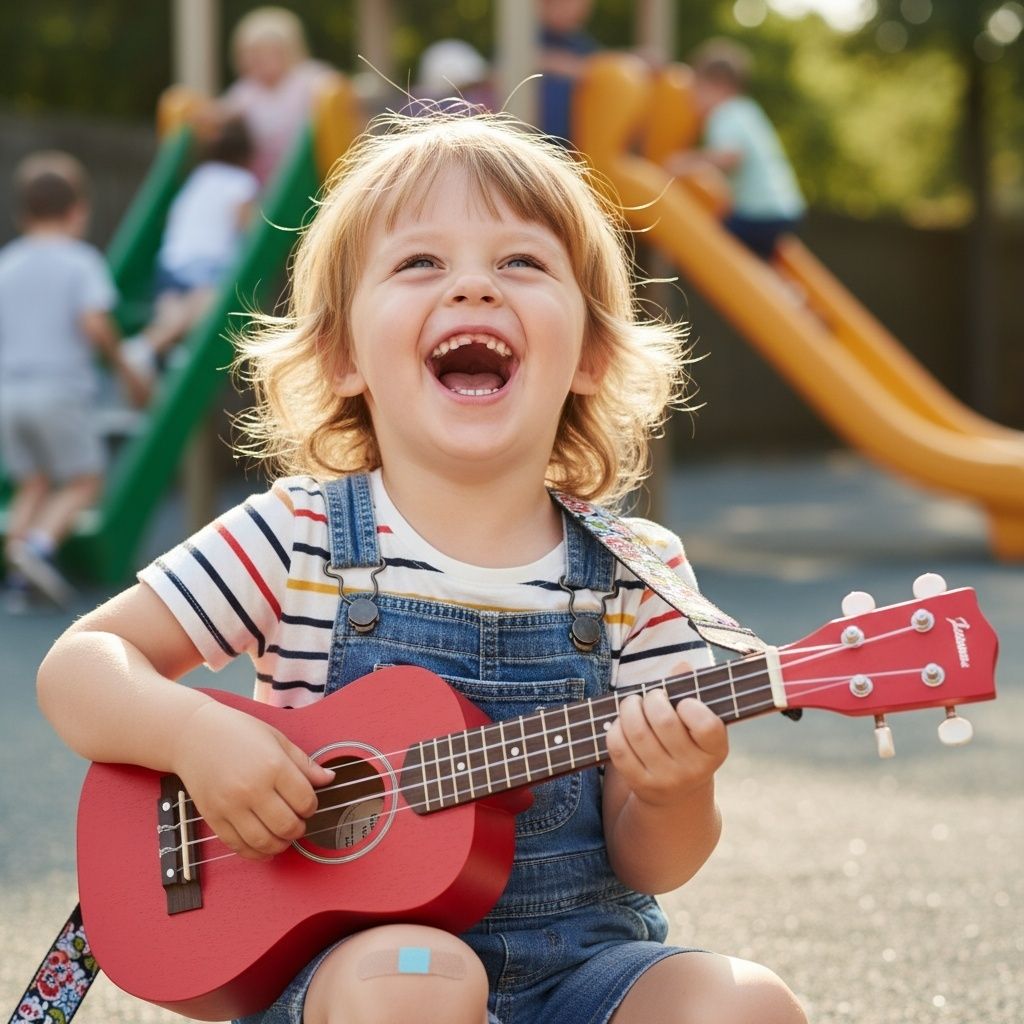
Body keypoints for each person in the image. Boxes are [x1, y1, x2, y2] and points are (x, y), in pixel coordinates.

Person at [36, 113, 807, 1024]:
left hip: (583, 971)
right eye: (419, 264)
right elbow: (80, 668)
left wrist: (677, 787)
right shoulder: (299, 534)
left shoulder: (643, 574)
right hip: (350, 973)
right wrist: (193, 740)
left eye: (522, 262)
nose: (474, 285)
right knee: (420, 979)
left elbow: (653, 862)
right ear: (343, 355)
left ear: (594, 354)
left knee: (747, 1005)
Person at [0, 152, 147, 610]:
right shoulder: (80, 261)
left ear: (23, 213)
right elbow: (94, 323)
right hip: (58, 389)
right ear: (78, 211)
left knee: (33, 481)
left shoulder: (8, 263)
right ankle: (38, 547)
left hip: (9, 391)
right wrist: (125, 367)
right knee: (86, 479)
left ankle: (17, 575)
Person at [121, 115, 260, 395]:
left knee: (173, 313)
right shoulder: (241, 182)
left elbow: (174, 216)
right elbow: (247, 227)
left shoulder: (199, 177)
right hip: (206, 264)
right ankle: (147, 348)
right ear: (247, 153)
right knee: (209, 300)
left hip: (171, 261)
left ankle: (161, 353)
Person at [665, 39, 806, 259]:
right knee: (754, 257)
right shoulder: (746, 110)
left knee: (712, 240)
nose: (691, 99)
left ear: (718, 86)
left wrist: (685, 162)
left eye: (697, 89)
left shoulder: (724, 114)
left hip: (759, 213)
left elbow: (730, 157)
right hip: (784, 209)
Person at [220, 6, 337, 186]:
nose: (255, 59)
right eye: (249, 52)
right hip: (264, 182)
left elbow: (342, 105)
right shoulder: (244, 92)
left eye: (263, 51)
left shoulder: (312, 80)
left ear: (288, 49)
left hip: (310, 176)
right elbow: (222, 122)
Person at [538, 0, 601, 145]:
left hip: (574, 141)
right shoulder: (526, 39)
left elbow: (603, 64)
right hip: (536, 137)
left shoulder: (580, 45)